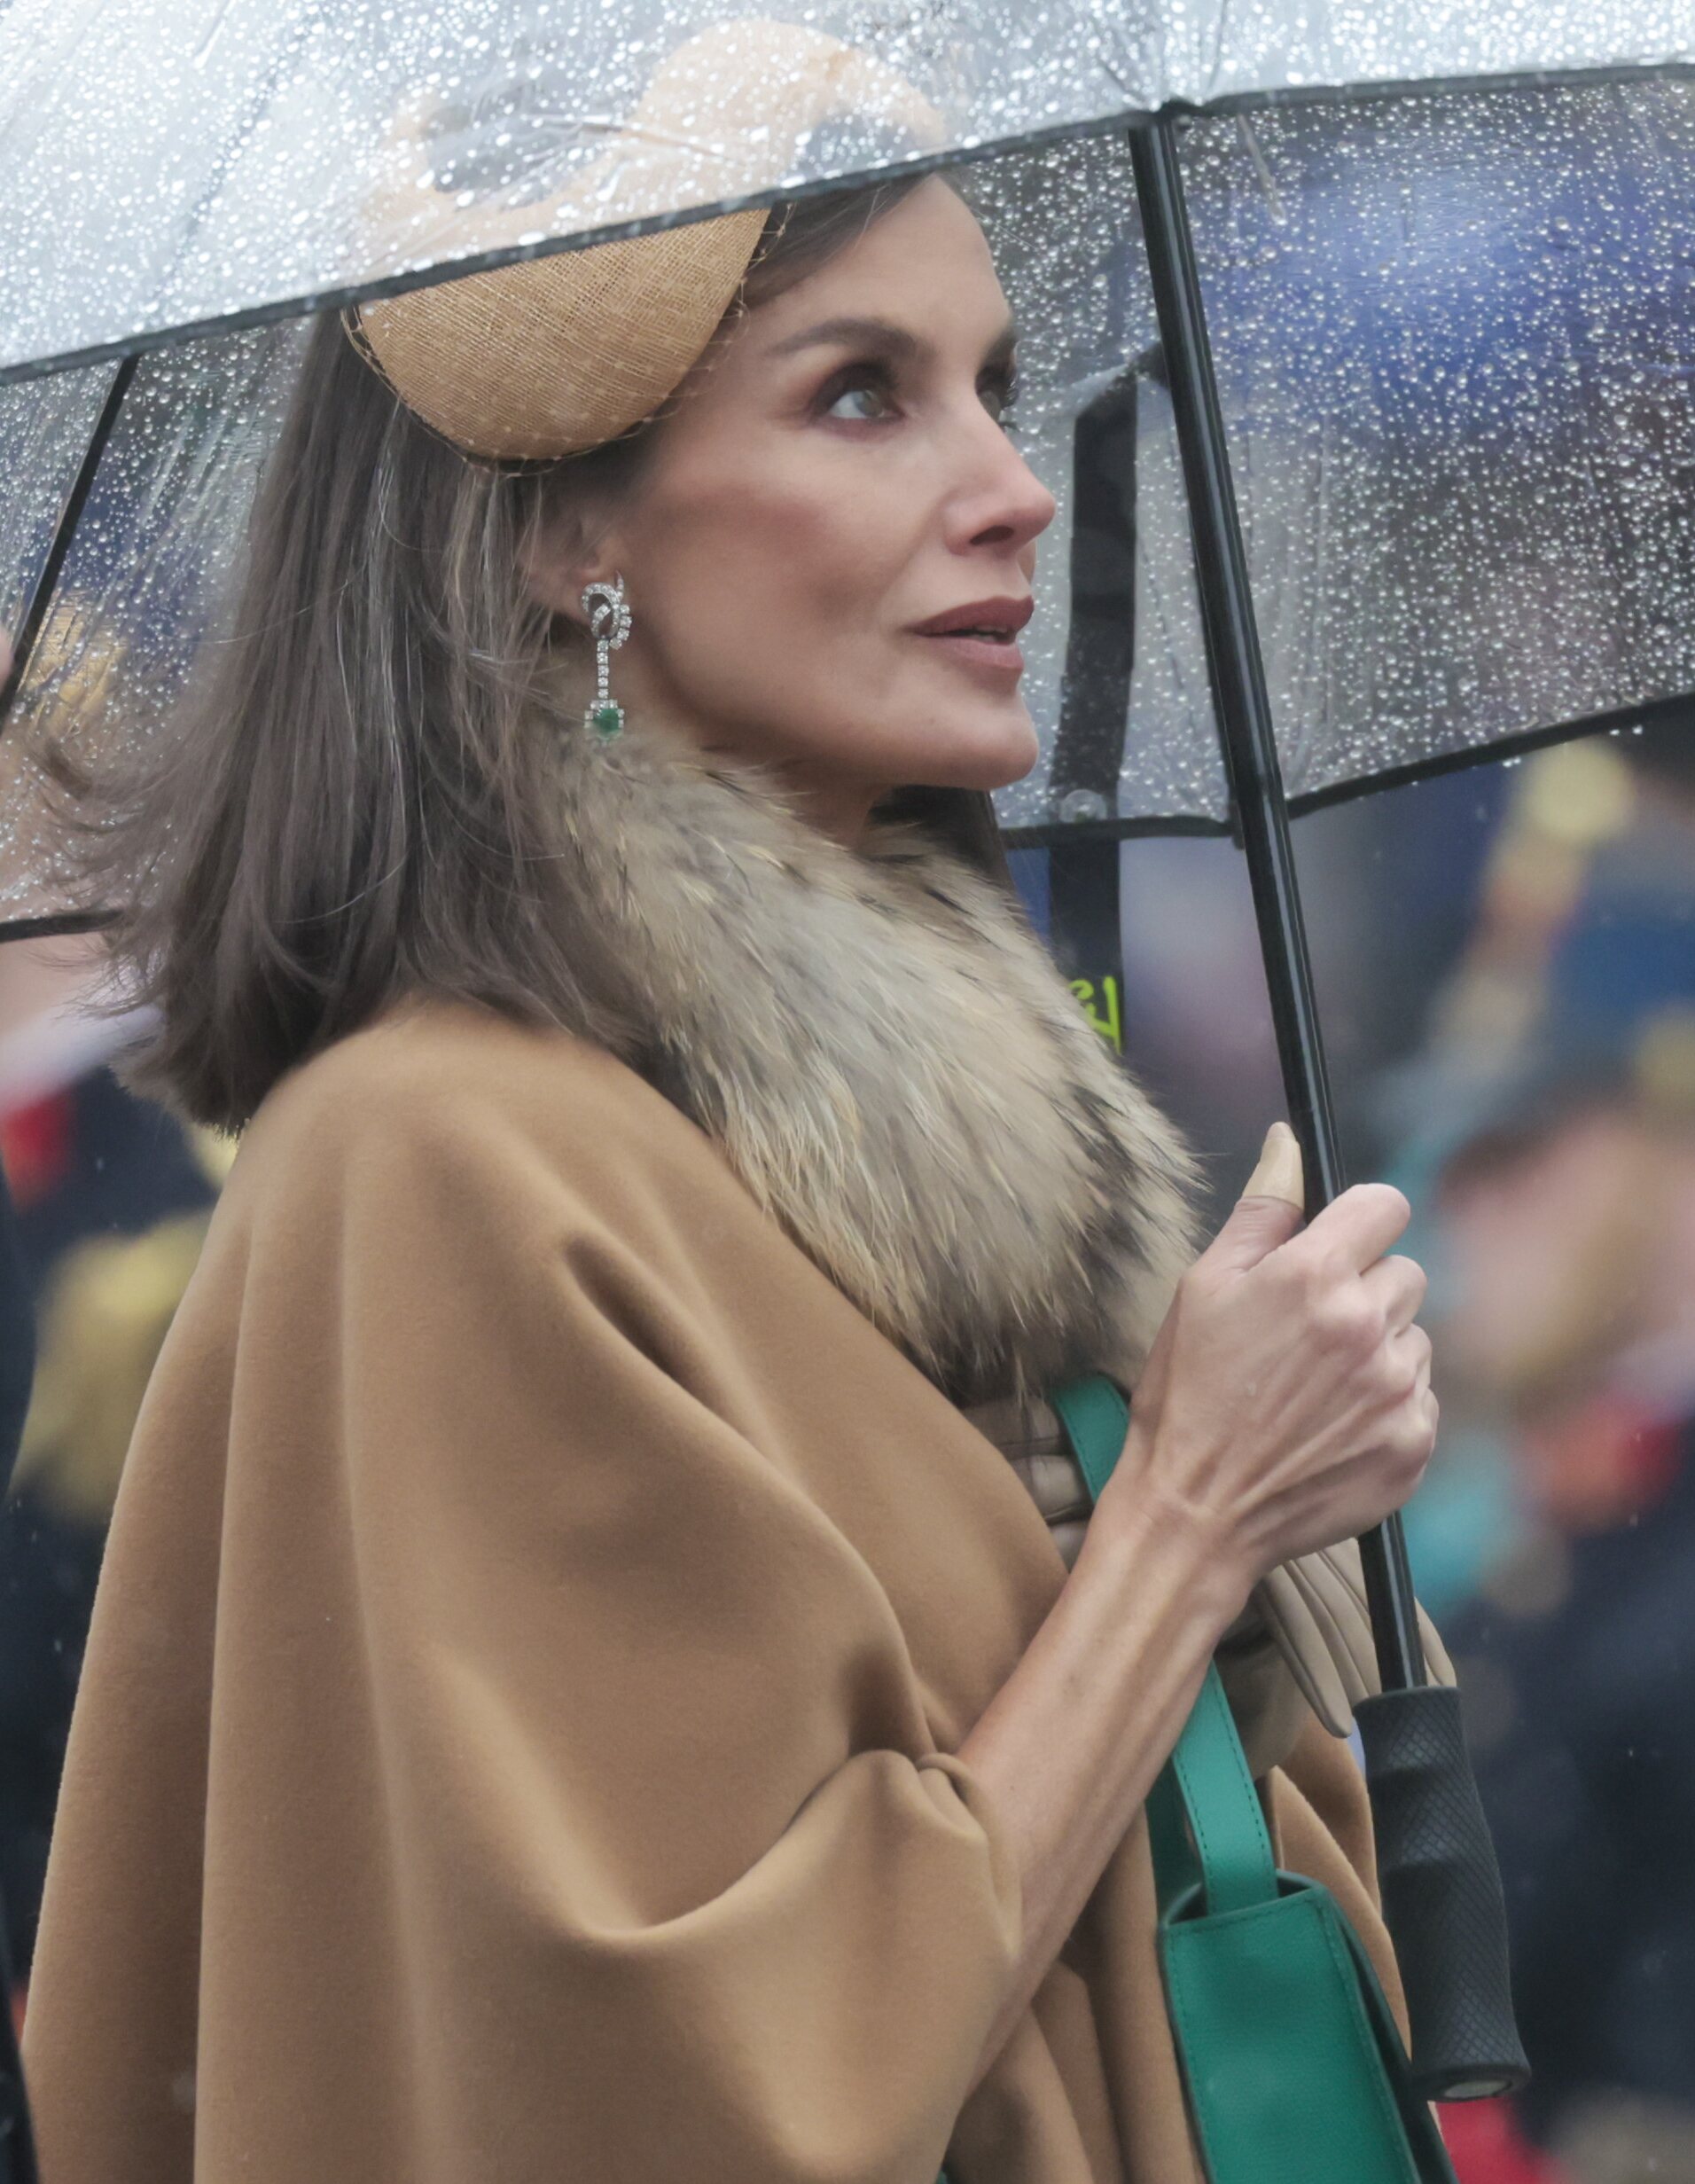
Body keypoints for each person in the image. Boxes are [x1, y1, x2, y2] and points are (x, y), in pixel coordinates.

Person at [21, 28, 1444, 2184]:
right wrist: (1184, 1517)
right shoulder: (435, 1162)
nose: (1010, 482)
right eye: (861, 392)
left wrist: (1272, 1528)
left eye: (990, 377)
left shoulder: (930, 1149)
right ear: (555, 528)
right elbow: (666, 2092)